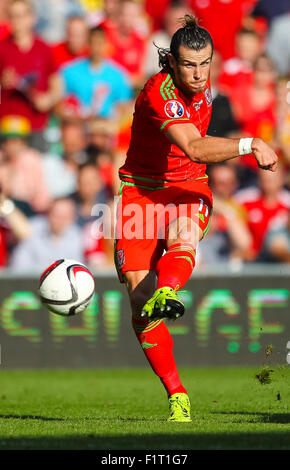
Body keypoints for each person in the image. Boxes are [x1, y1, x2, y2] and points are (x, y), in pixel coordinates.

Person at [114, 15, 278, 422]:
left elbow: (195, 163)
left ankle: (169, 290)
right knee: (138, 300)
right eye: (189, 64)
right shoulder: (161, 92)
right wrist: (250, 143)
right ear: (171, 61)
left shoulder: (206, 86)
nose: (199, 73)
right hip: (141, 191)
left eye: (206, 63)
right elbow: (195, 148)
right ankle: (177, 395)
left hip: (188, 187)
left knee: (183, 233)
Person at [0, 0, 62, 152]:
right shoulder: (2, 47)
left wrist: (48, 99)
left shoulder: (44, 49)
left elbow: (56, 85)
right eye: (13, 16)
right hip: (8, 126)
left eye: (21, 16)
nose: (17, 21)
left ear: (32, 18)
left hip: (36, 125)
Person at [59, 25, 133, 120]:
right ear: (87, 44)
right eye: (93, 43)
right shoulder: (70, 72)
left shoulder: (119, 75)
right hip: (79, 126)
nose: (97, 48)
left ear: (106, 44)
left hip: (106, 128)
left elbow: (124, 107)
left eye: (100, 43)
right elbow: (60, 105)